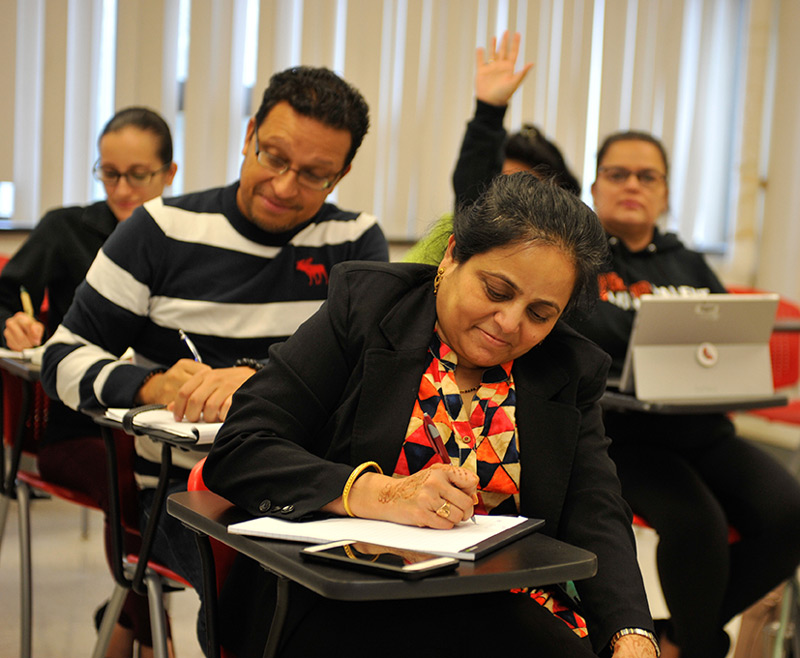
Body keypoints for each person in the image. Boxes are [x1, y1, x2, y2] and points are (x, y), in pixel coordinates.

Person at [204, 173, 659, 658]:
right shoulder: (365, 308)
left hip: (503, 601)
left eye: (540, 314)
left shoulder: (567, 367)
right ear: (452, 255)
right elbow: (243, 447)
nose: (510, 324)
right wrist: (379, 493)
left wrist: (631, 634)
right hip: (339, 596)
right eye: (497, 291)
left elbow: (597, 508)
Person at [40, 66, 388, 652]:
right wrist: (153, 385)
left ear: (343, 173)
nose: (283, 185)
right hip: (180, 491)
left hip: (312, 483)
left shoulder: (353, 242)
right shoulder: (161, 230)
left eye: (314, 175)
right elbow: (61, 360)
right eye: (272, 156)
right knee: (257, 595)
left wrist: (253, 381)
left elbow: (366, 378)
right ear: (249, 133)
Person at [567, 130, 800, 658]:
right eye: (618, 174)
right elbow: (595, 342)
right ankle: (699, 647)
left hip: (703, 429)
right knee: (699, 525)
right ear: (596, 186)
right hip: (625, 438)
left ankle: (676, 636)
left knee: (788, 512)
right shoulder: (578, 260)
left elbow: (730, 339)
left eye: (647, 176)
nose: (632, 185)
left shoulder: (688, 262)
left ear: (666, 193)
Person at [0, 107, 177, 656]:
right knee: (132, 481)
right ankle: (151, 632)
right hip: (73, 426)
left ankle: (123, 618)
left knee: (176, 491)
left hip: (158, 424)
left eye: (138, 175)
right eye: (109, 173)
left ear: (170, 174)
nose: (121, 188)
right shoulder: (66, 228)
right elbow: (5, 295)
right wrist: (13, 324)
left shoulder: (185, 239)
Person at [404, 31, 580, 266]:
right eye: (503, 186)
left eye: (529, 190)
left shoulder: (573, 254)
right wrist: (489, 111)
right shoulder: (456, 232)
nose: (513, 199)